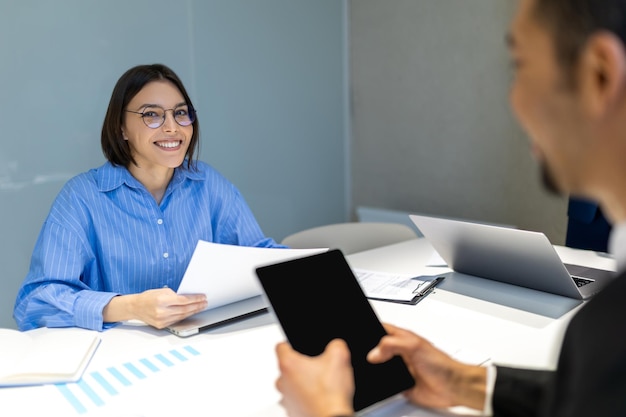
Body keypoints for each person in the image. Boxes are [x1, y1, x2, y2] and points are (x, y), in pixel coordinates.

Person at [274, 0, 626, 416]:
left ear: (598, 74)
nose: (512, 99)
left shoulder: (609, 328)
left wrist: (326, 409)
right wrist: (462, 380)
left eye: (519, 66)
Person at [14, 63, 285, 332]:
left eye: (181, 113)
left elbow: (258, 255)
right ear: (121, 128)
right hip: (116, 359)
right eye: (152, 115)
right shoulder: (82, 197)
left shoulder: (208, 183)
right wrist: (131, 307)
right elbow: (34, 303)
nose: (172, 128)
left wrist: (316, 267)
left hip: (202, 344)